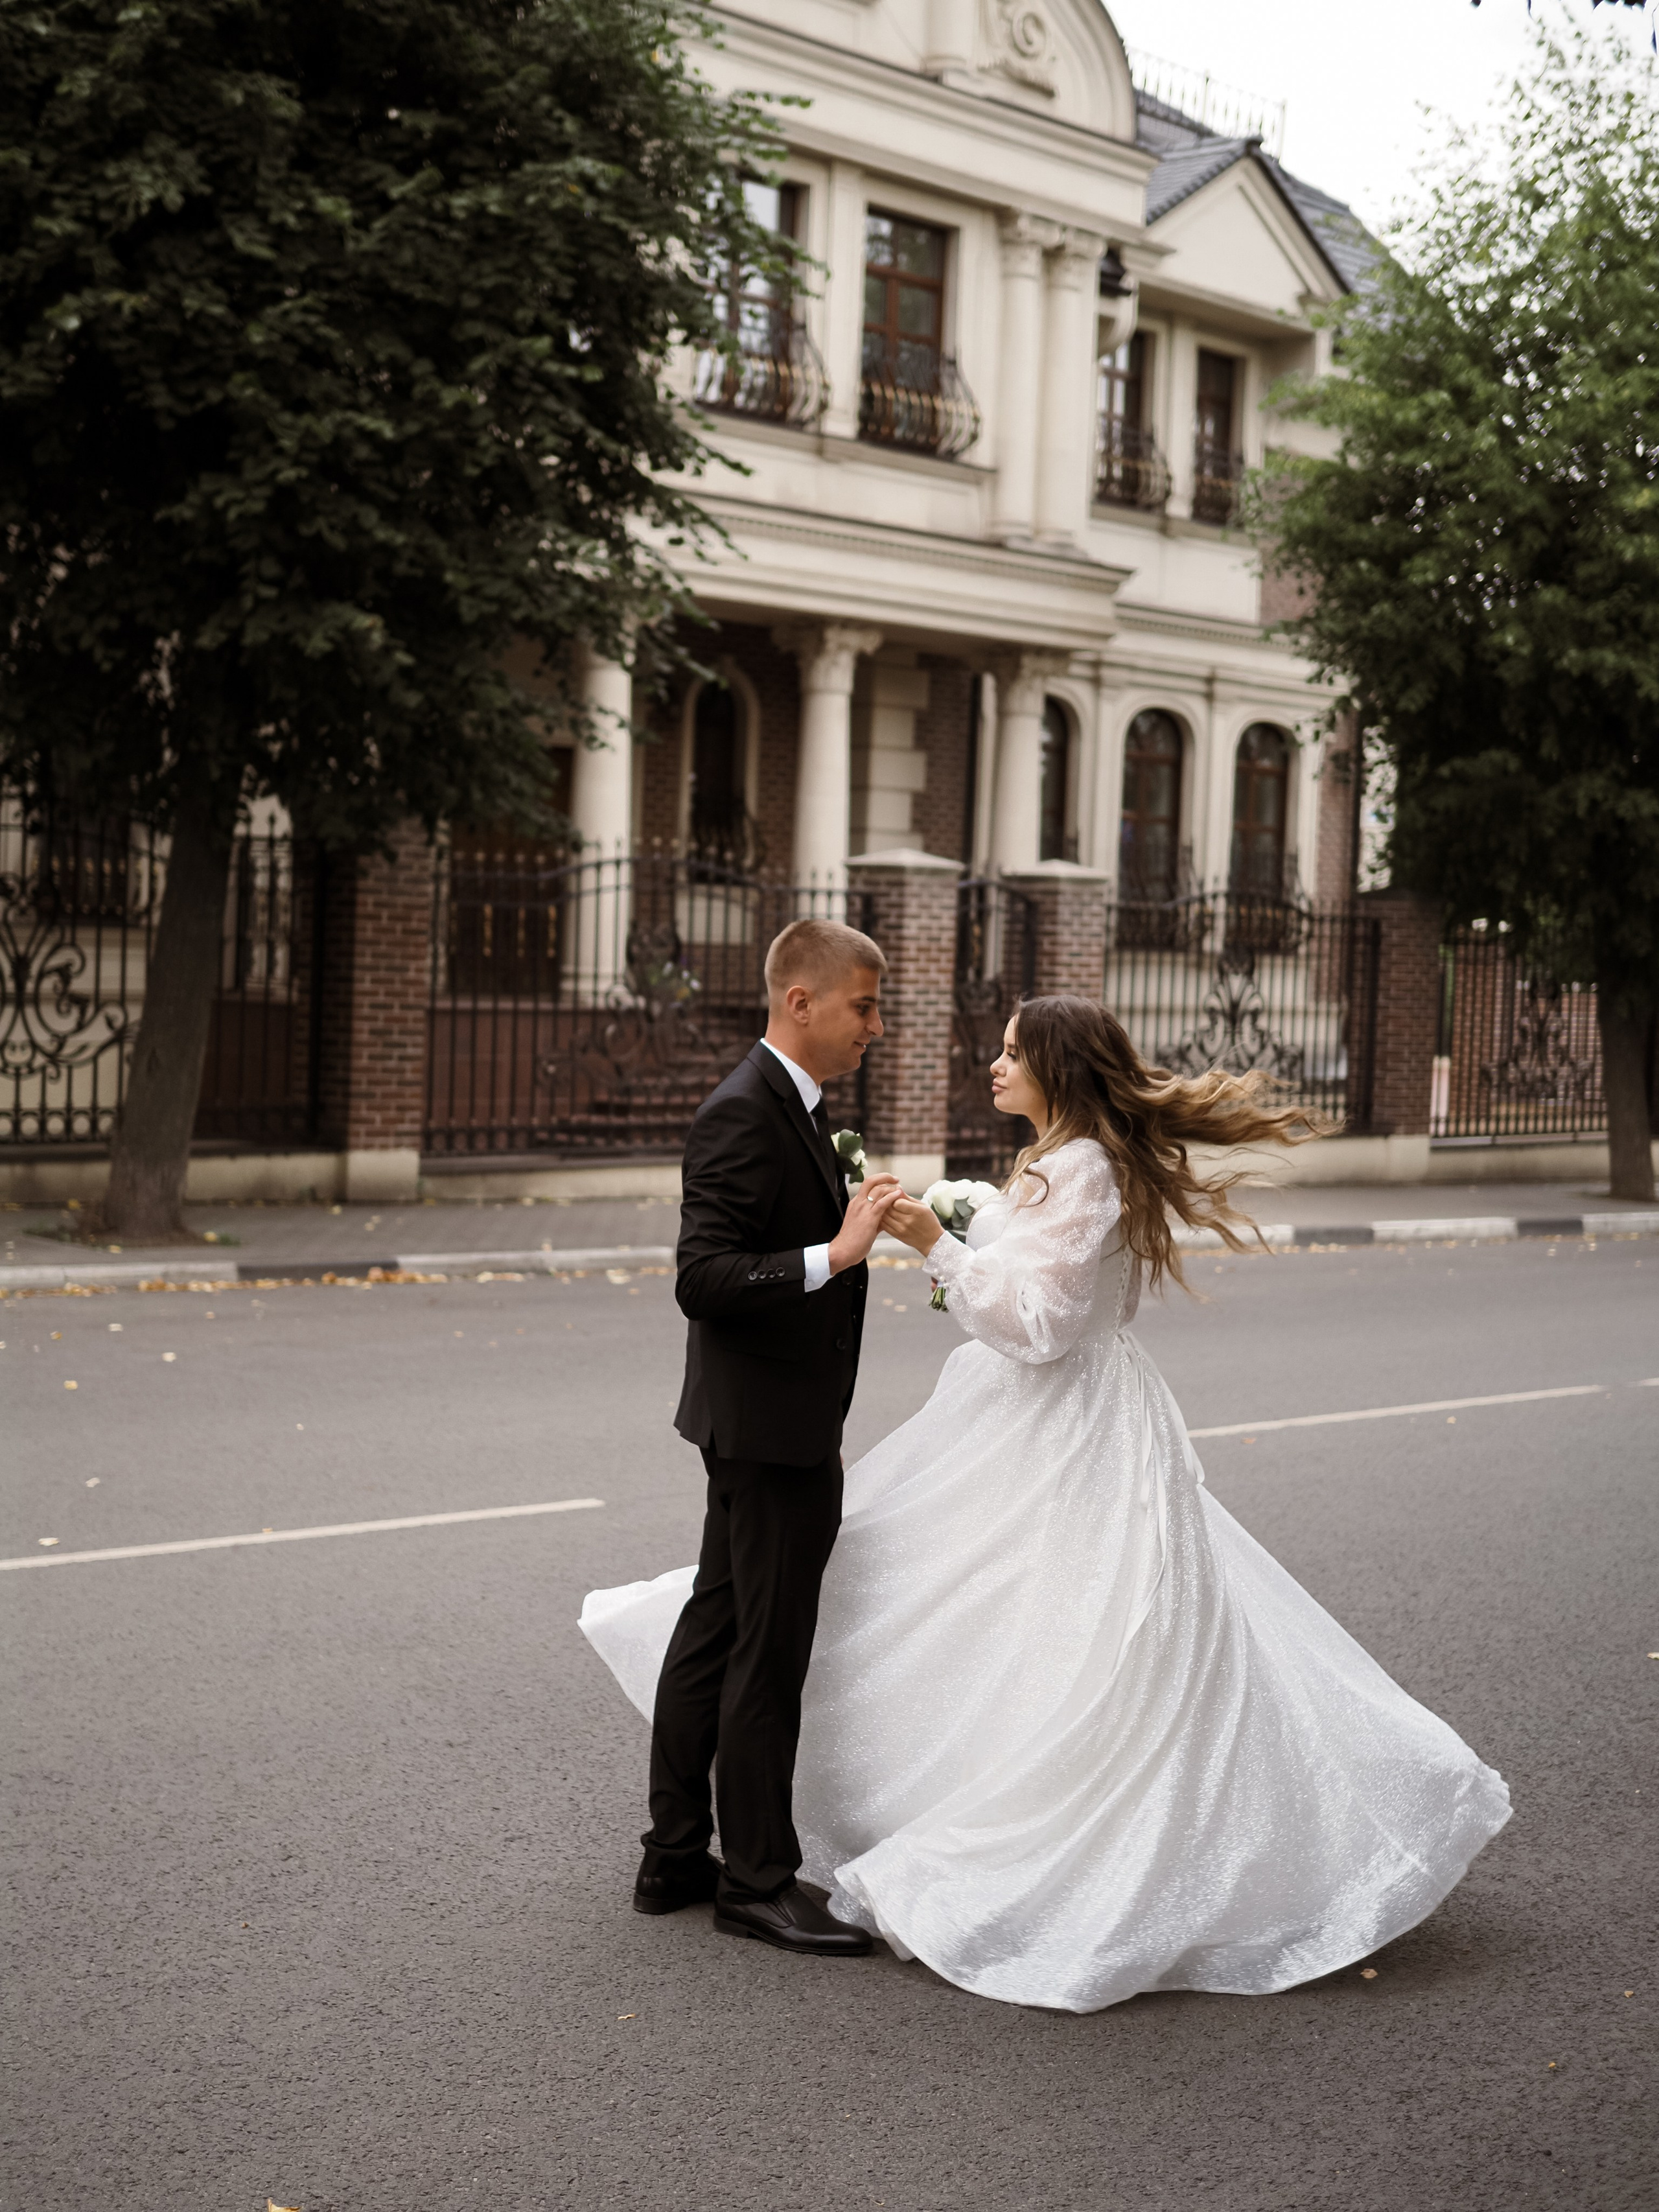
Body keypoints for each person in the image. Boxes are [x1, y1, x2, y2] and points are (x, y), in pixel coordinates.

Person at [583, 994, 1511, 2010]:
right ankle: (710, 1843)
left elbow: (1039, 1327)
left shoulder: (1084, 1167)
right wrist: (966, 1220)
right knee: (928, 1601)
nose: (994, 1062)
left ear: (1058, 1071)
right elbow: (1026, 1258)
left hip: (1067, 1428)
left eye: (1013, 1052)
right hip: (1017, 1421)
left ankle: (778, 1847)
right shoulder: (1059, 1161)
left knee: (1040, 1628)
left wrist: (937, 1243)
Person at [597, 916, 901, 1957]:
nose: (876, 1023)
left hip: (768, 1421)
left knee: (714, 1631)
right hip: (769, 1434)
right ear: (800, 1001)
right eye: (864, 1004)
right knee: (763, 1657)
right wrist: (834, 1251)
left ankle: (675, 1854)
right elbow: (702, 1278)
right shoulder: (743, 1111)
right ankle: (758, 1880)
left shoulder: (801, 1109)